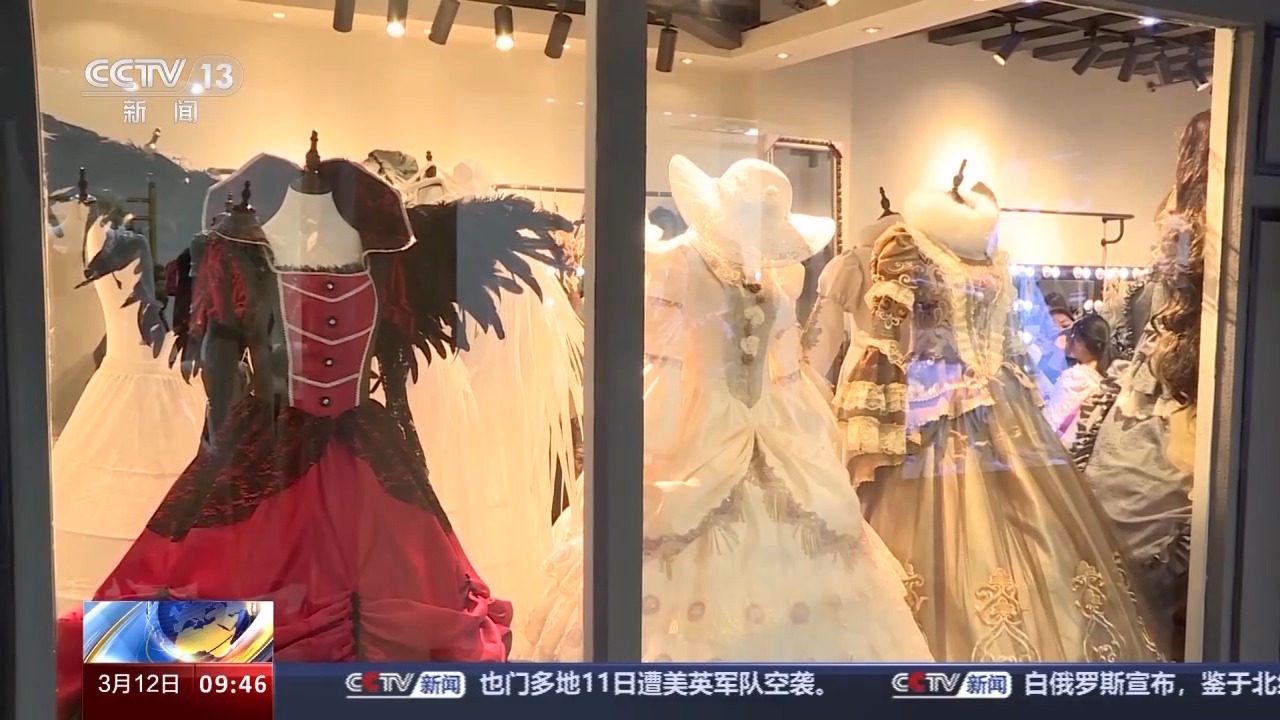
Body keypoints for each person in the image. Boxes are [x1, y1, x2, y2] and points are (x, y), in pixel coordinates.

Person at [1044, 314, 1112, 445]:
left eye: (1073, 337)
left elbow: (1052, 421)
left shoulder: (1076, 377)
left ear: (1081, 344)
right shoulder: (1100, 381)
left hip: (1059, 446)